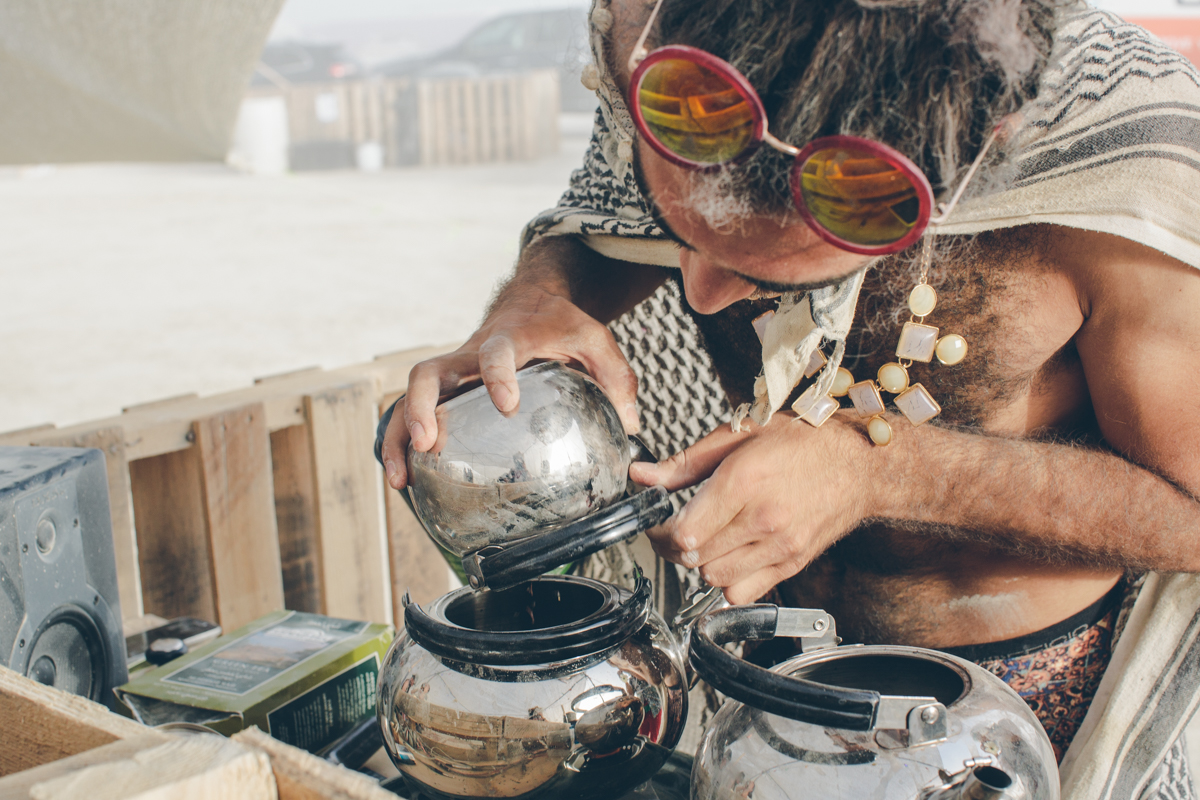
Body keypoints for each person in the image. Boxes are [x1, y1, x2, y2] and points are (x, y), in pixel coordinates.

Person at [378, 0, 1200, 794]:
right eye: (678, 231)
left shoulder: (1122, 156)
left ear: (980, 154)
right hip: (752, 678)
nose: (697, 294)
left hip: (1008, 711)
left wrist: (878, 471)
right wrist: (539, 293)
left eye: (758, 270)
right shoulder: (668, 44)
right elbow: (600, 222)